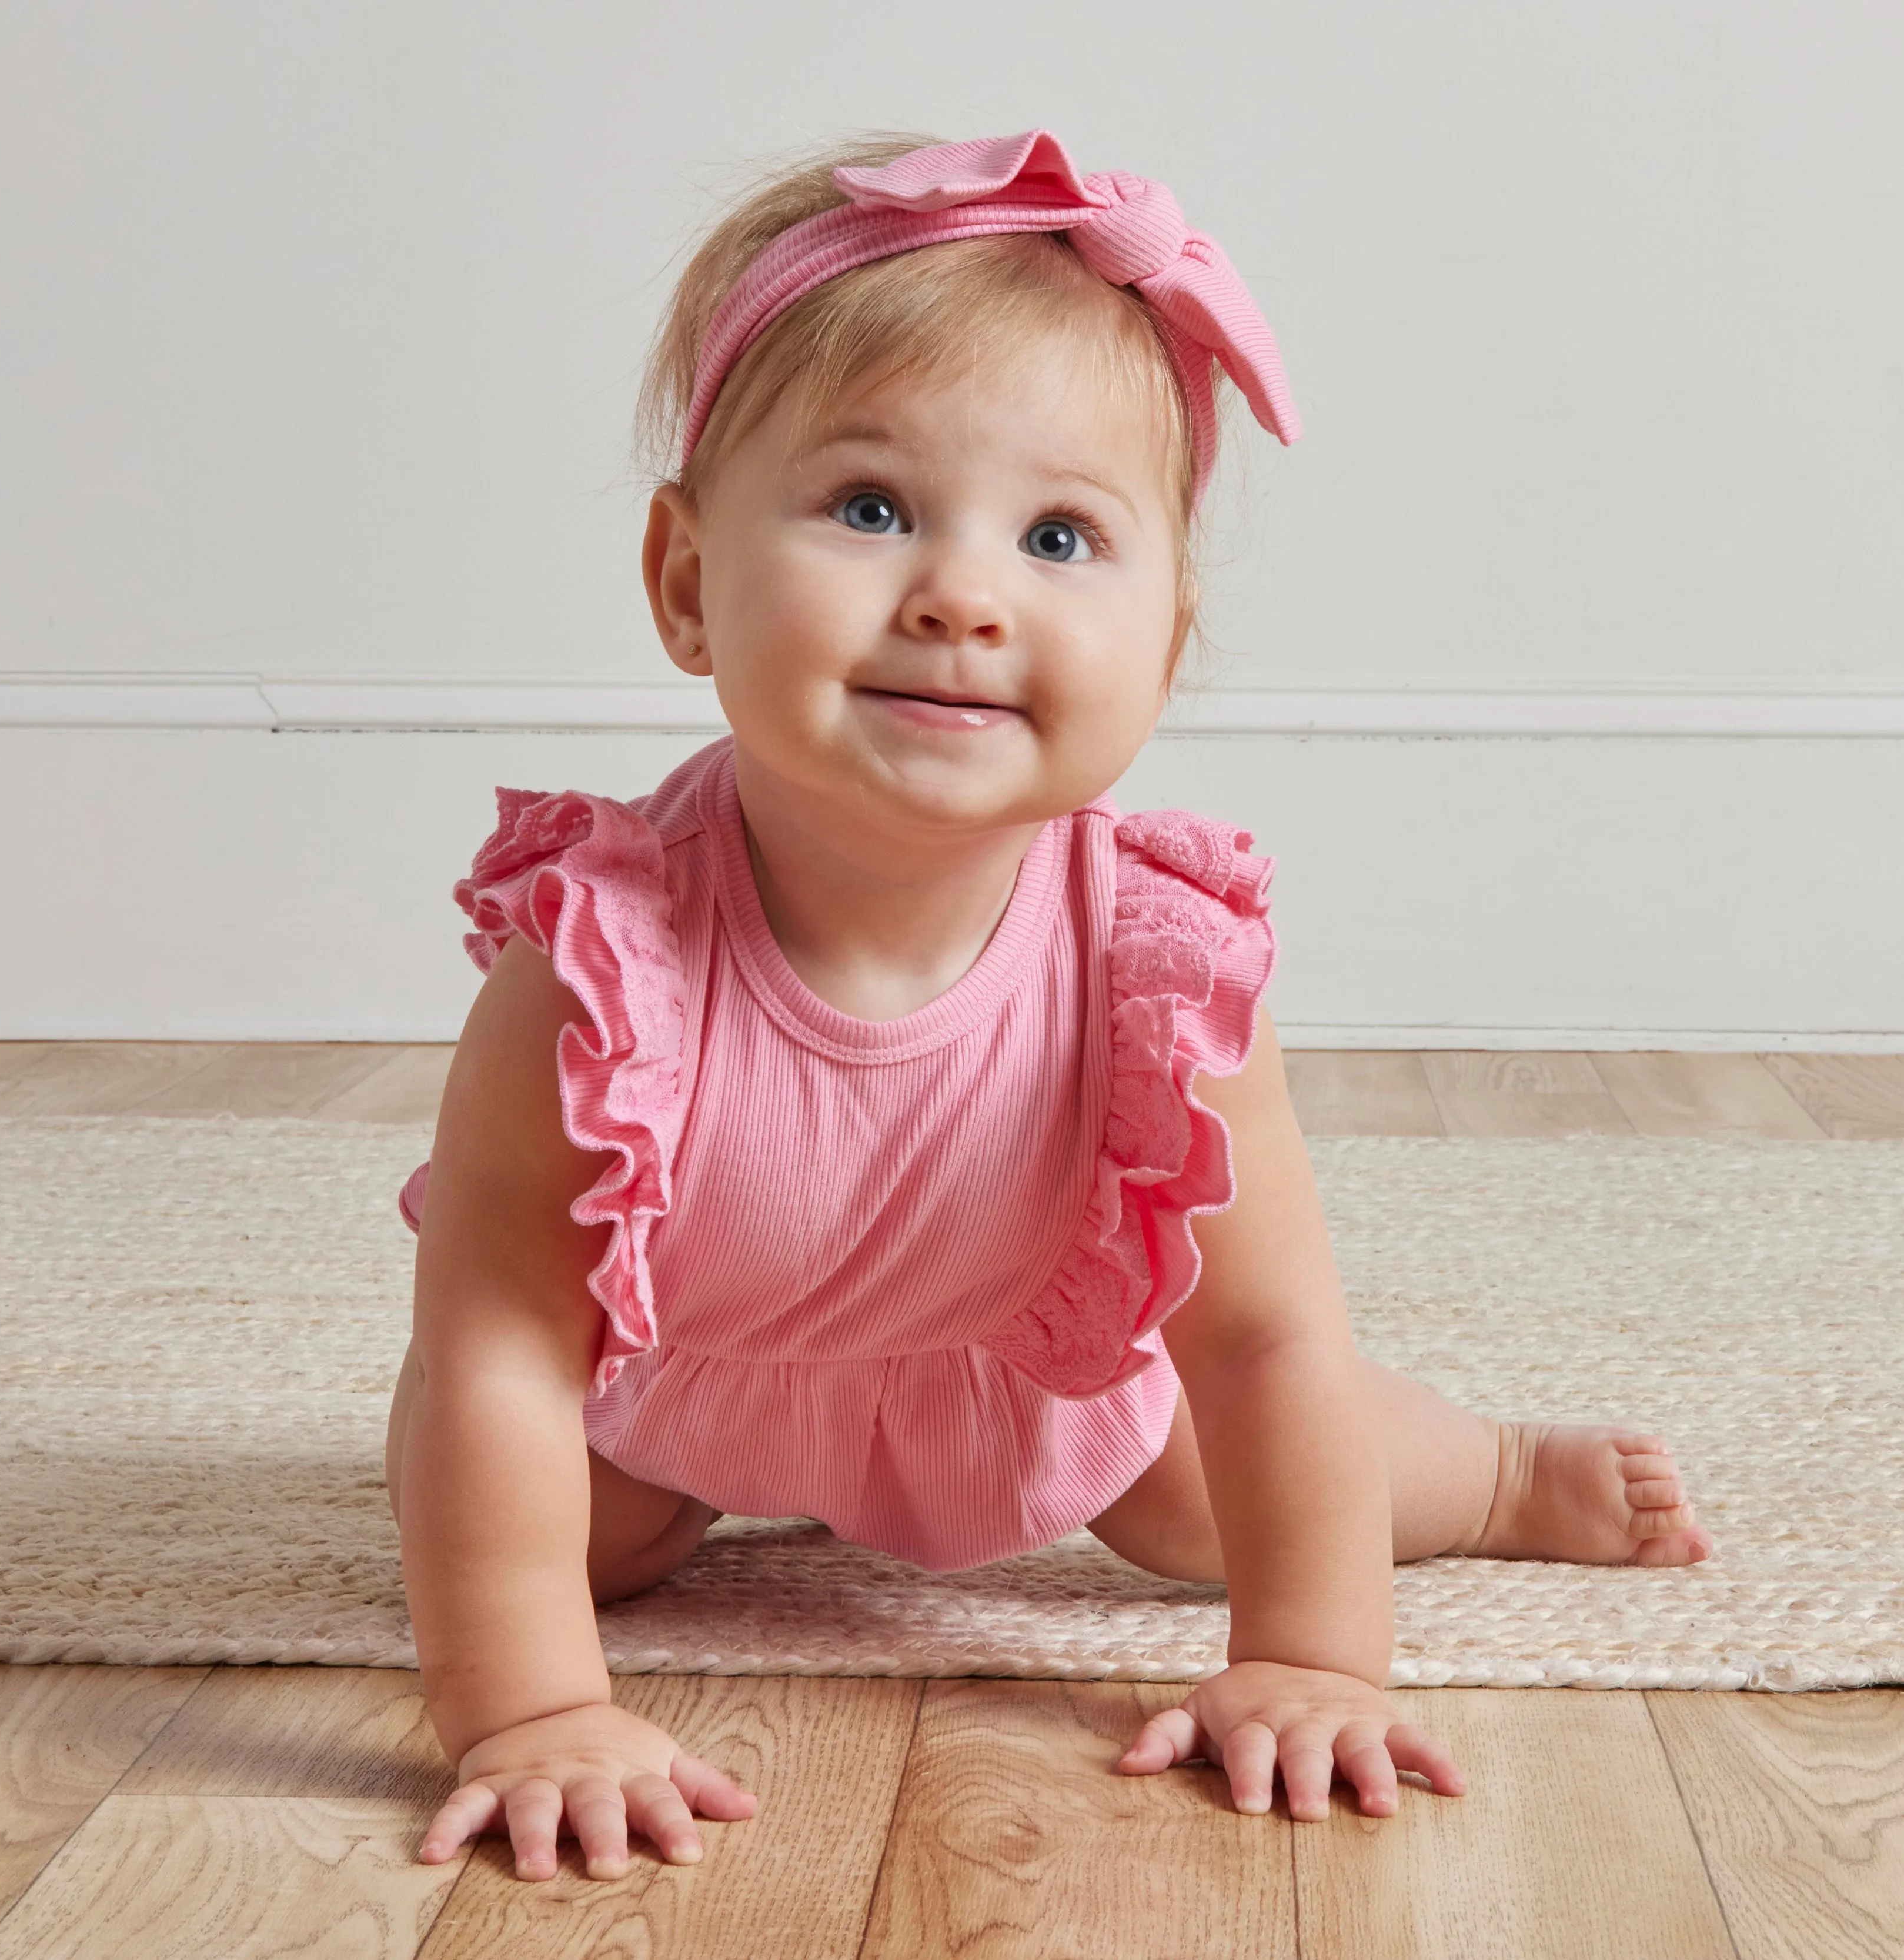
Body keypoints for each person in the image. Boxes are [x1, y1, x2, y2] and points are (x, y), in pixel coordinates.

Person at [387, 129, 1709, 1884]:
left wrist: (1308, 1659)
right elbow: (497, 1339)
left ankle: (1488, 1473)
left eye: (1062, 534)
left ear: (1162, 650)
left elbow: (1259, 1343)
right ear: (687, 583)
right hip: (691, 1371)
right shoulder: (600, 963)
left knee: (1186, 1502)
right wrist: (531, 1707)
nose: (961, 590)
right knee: (547, 1521)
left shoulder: (1153, 971)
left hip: (1027, 1372)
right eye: (867, 508)